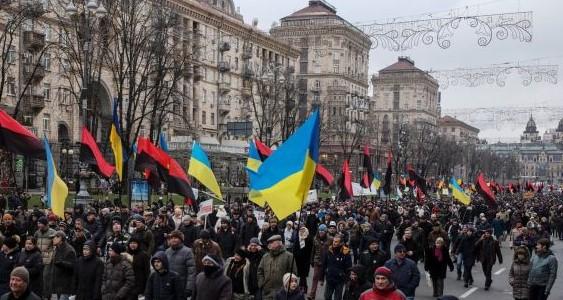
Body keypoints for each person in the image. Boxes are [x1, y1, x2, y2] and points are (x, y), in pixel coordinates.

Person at [258, 235, 297, 300]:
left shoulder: (289, 256)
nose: (269, 244)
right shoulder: (265, 256)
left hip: (283, 292)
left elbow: (293, 273)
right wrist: (261, 283)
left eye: (271, 242)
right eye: (269, 243)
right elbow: (260, 271)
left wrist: (288, 286)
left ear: (279, 243)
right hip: (267, 292)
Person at [165, 230, 196, 298]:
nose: (173, 240)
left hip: (182, 286)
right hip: (168, 285)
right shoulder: (167, 251)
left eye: (176, 238)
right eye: (172, 238)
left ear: (181, 239)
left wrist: (189, 288)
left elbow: (191, 272)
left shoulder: (188, 252)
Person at [321, 234, 352, 300]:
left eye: (336, 242)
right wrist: (322, 278)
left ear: (341, 243)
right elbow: (324, 264)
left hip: (340, 280)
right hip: (330, 278)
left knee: (337, 298)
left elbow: (349, 268)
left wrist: (347, 281)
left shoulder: (346, 252)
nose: (334, 243)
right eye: (334, 241)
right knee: (327, 296)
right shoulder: (329, 250)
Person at [48, 231, 76, 300]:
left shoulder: (70, 250)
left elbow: (73, 266)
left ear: (60, 238)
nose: (52, 239)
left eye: (54, 238)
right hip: (56, 285)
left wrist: (61, 263)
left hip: (65, 287)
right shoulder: (57, 248)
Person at [308, 224, 328, 300]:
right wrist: (311, 260)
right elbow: (313, 250)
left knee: (328, 279)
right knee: (315, 276)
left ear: (325, 231)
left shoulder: (330, 239)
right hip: (317, 260)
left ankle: (327, 296)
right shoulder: (315, 239)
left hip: (326, 262)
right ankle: (312, 295)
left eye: (323, 230)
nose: (321, 232)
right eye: (320, 230)